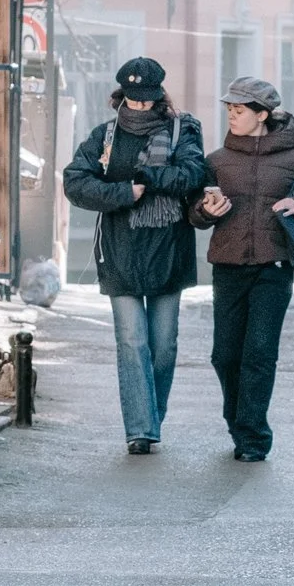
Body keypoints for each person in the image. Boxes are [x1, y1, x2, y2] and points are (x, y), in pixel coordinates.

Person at [61, 56, 206, 454]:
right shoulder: (105, 136)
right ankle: (141, 429)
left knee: (163, 346)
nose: (139, 106)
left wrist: (149, 179)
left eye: (146, 100)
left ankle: (151, 415)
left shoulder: (183, 130)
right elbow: (75, 182)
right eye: (133, 99)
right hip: (120, 252)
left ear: (159, 96)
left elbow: (193, 174)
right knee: (131, 342)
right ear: (122, 95)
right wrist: (124, 193)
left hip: (168, 252)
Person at [190, 76, 294, 462]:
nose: (232, 117)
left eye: (239, 111)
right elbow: (195, 214)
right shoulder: (217, 161)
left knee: (259, 351)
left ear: (262, 115)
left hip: (274, 268)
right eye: (229, 111)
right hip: (228, 267)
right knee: (225, 354)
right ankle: (237, 419)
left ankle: (253, 437)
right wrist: (206, 211)